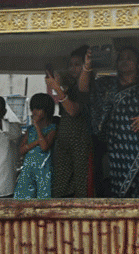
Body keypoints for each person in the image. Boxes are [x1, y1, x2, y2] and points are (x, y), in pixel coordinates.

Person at [86, 45, 139, 198]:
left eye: (129, 58)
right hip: (114, 150)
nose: (124, 61)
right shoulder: (106, 84)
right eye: (121, 58)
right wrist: (87, 67)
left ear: (138, 63)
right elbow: (85, 90)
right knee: (114, 192)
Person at [46, 46, 94, 197]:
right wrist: (59, 86)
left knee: (82, 186)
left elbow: (73, 111)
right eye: (70, 65)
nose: (73, 69)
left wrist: (57, 89)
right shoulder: (69, 86)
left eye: (77, 64)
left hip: (80, 141)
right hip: (64, 139)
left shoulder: (87, 87)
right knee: (60, 185)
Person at [14, 93, 58, 199]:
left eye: (38, 109)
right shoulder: (30, 130)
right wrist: (36, 142)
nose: (34, 112)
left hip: (44, 170)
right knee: (23, 199)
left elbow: (44, 146)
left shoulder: (52, 129)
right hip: (28, 169)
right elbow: (21, 150)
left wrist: (37, 126)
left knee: (43, 200)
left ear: (46, 111)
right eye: (33, 108)